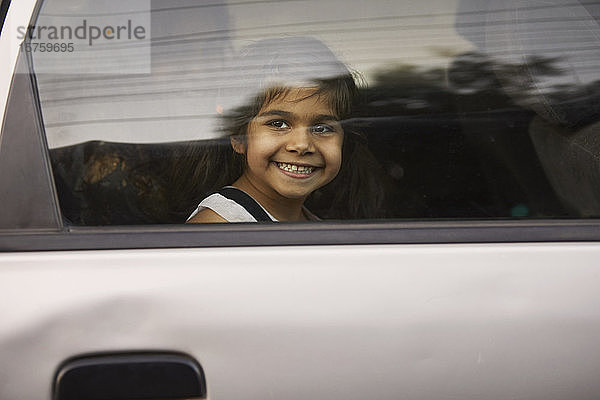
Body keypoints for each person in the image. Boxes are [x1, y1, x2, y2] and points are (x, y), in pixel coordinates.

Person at [184, 37, 386, 222]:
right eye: (278, 124)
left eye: (321, 128)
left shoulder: (310, 222)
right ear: (238, 138)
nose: (301, 145)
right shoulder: (220, 226)